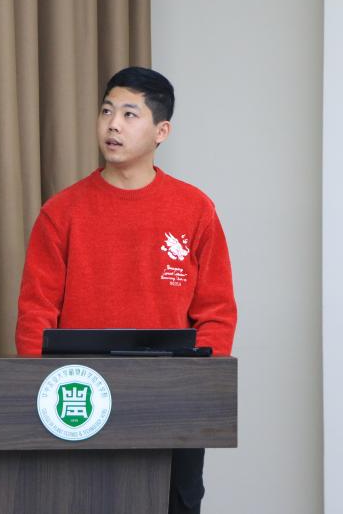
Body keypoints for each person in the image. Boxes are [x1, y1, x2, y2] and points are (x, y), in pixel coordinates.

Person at [15, 66, 237, 514]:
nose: (113, 124)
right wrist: (49, 395)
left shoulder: (195, 210)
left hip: (171, 402)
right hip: (80, 402)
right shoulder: (61, 212)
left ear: (161, 131)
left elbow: (216, 312)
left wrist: (196, 384)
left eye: (129, 114)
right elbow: (35, 315)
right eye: (106, 111)